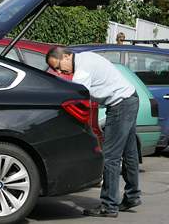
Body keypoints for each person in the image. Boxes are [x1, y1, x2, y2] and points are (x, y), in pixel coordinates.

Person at [46, 47, 141, 218]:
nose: (60, 71)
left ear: (67, 56)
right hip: (130, 98)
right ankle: (132, 196)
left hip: (120, 105)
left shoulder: (82, 69)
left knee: (111, 157)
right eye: (56, 70)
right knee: (129, 152)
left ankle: (109, 206)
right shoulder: (86, 58)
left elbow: (77, 94)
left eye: (59, 67)